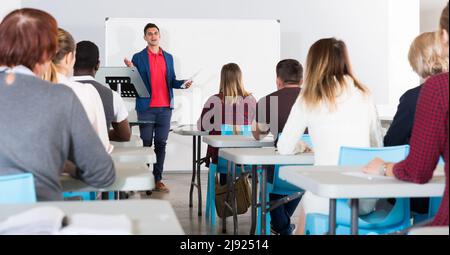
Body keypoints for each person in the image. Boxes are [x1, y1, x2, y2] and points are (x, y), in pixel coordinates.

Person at [0, 8, 115, 201]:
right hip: (36, 221)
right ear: (47, 53)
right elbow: (102, 173)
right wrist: (63, 163)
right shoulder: (60, 97)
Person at [277, 38, 383, 234]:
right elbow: (377, 145)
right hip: (365, 197)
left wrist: (302, 146)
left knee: (308, 206)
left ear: (314, 64)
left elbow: (284, 148)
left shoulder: (309, 96)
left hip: (327, 197)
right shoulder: (364, 93)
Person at [363, 2, 449, 227]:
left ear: (445, 37)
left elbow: (415, 168)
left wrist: (384, 167)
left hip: (425, 201)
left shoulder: (432, 91)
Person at [383, 32, 449, 215]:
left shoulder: (414, 98)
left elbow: (391, 145)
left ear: (416, 61)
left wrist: (383, 167)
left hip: (425, 196)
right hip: (441, 193)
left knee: (381, 200)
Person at [124, 23, 192, 192]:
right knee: (146, 143)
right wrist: (131, 70)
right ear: (145, 37)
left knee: (161, 144)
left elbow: (172, 80)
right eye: (149, 34)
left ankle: (157, 179)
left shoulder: (168, 57)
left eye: (155, 33)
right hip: (146, 108)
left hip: (165, 108)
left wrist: (183, 84)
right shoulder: (138, 57)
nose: (153, 36)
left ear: (159, 36)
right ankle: (143, 178)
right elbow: (135, 81)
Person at [252, 59, 303, 235]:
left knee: (269, 174)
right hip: (312, 171)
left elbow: (258, 134)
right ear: (302, 80)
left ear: (278, 80)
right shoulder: (317, 100)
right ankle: (281, 226)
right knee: (296, 183)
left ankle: (283, 228)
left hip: (280, 172)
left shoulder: (267, 101)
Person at [44, 28, 113, 153]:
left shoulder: (28, 91)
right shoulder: (87, 92)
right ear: (69, 57)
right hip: (76, 170)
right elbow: (102, 147)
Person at [197, 63, 257, 185]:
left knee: (225, 157)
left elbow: (201, 126)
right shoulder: (251, 100)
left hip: (221, 158)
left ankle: (225, 197)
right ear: (240, 78)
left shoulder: (215, 100)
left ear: (222, 79)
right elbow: (256, 125)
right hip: (246, 157)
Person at [74, 41, 131, 142]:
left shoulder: (57, 91)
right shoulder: (112, 96)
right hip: (97, 156)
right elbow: (125, 135)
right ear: (98, 65)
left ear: (72, 60)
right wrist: (100, 133)